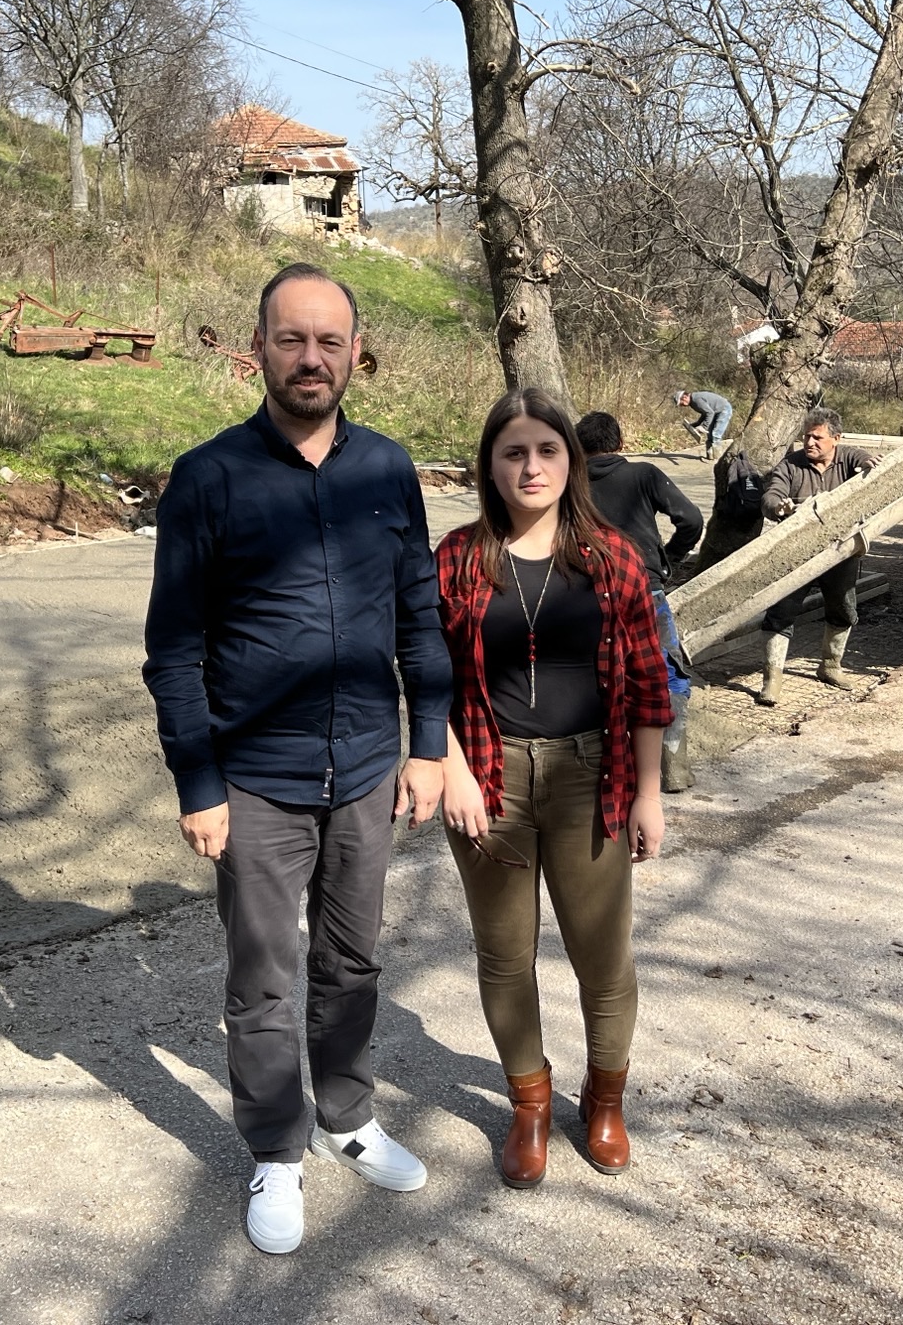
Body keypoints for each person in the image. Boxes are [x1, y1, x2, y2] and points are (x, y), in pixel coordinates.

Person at [143, 262, 452, 1256]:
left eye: (328, 341)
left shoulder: (387, 470)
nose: (310, 358)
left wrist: (428, 745)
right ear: (259, 350)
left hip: (365, 770)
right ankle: (276, 1148)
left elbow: (419, 616)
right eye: (291, 339)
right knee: (264, 978)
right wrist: (198, 782)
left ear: (355, 353)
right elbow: (173, 649)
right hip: (255, 782)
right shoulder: (208, 477)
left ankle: (346, 1117)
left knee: (353, 960)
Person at [436, 389, 673, 1189]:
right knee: (505, 955)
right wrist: (451, 768)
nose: (531, 467)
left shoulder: (613, 558)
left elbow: (649, 682)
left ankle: (604, 1101)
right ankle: (529, 1106)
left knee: (602, 957)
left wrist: (648, 793)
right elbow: (424, 672)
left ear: (571, 462)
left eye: (547, 450)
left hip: (590, 777)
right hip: (488, 775)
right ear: (490, 465)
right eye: (513, 452)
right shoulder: (458, 558)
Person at [574, 410, 703, 791]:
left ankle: (604, 767)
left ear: (578, 447)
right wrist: (667, 560)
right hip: (645, 590)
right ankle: (672, 766)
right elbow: (692, 520)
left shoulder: (568, 482)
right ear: (621, 444)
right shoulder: (645, 475)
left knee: (597, 674)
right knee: (668, 673)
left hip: (587, 595)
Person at [756, 407, 878, 707]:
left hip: (840, 551)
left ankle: (830, 666)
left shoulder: (847, 458)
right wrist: (778, 507)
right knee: (781, 612)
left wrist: (870, 464)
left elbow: (864, 460)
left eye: (817, 438)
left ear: (836, 439)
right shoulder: (791, 465)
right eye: (806, 437)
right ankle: (772, 679)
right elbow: (771, 494)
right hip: (796, 553)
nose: (809, 442)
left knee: (843, 608)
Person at [674, 388, 733, 461]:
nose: (682, 405)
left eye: (681, 403)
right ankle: (710, 457)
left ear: (684, 397)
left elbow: (709, 413)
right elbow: (705, 413)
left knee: (716, 435)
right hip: (716, 411)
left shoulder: (696, 400)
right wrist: (697, 424)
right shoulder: (693, 402)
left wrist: (704, 427)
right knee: (710, 435)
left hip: (724, 409)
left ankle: (717, 459)